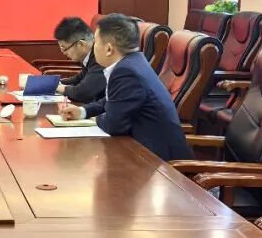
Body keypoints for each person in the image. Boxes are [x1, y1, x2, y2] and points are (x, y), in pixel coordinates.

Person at [59, 13, 190, 161]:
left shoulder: (126, 72)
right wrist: (83, 112)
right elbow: (112, 100)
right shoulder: (134, 61)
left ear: (109, 49)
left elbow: (114, 125)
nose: (93, 47)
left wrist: (94, 119)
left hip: (159, 163)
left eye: (95, 42)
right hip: (144, 152)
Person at [52, 16, 106, 103]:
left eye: (65, 48)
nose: (64, 53)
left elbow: (83, 92)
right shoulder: (88, 54)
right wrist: (57, 83)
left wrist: (57, 87)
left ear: (80, 44)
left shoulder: (101, 56)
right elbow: (81, 77)